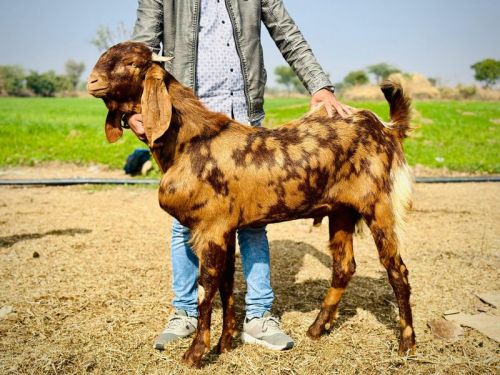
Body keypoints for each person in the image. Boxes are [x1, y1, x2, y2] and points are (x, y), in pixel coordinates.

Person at [127, 0, 352, 351]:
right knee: (185, 220)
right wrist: (132, 112)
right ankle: (184, 312)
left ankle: (259, 316)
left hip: (244, 118)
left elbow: (287, 34)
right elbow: (139, 53)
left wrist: (319, 85)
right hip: (187, 121)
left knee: (254, 218)